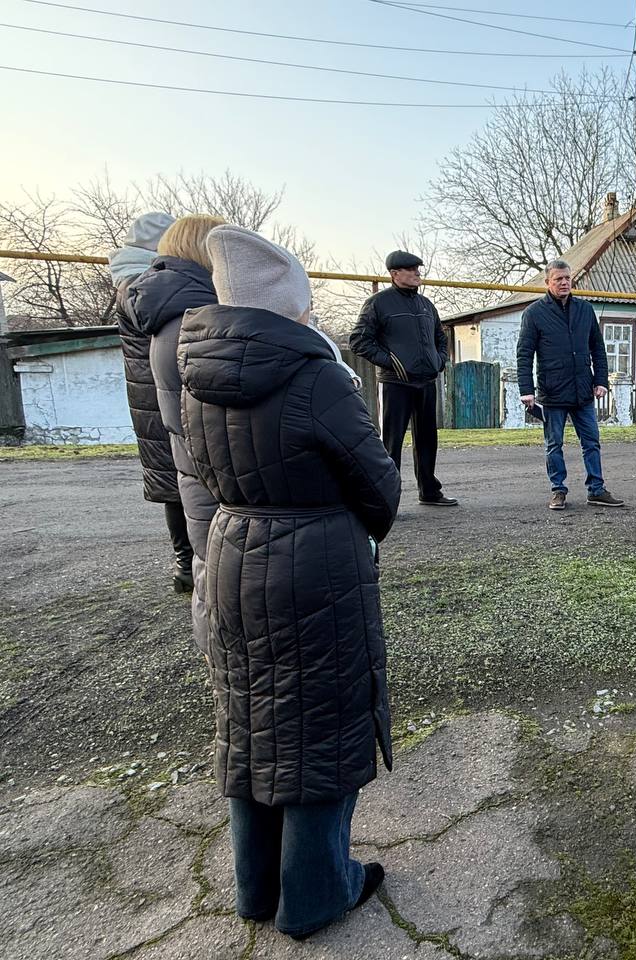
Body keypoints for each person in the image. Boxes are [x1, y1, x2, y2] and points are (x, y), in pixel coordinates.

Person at [179, 225, 401, 939]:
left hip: (232, 554)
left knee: (252, 719)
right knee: (320, 724)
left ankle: (257, 887)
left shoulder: (195, 373)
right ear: (291, 302)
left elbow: (203, 474)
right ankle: (315, 895)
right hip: (315, 562)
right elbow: (379, 487)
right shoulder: (316, 374)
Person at [126, 214, 224, 657]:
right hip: (204, 443)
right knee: (222, 561)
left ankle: (219, 654)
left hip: (172, 432)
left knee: (203, 545)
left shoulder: (154, 297)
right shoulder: (192, 310)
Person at [110, 211, 192, 592]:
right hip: (160, 395)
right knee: (176, 478)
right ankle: (186, 565)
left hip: (157, 392)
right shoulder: (138, 284)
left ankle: (187, 564)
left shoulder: (135, 280)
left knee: (178, 476)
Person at [349, 250, 457, 507]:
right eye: (410, 269)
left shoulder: (426, 305)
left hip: (426, 381)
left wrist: (439, 360)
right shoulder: (378, 303)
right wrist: (390, 362)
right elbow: (359, 341)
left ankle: (429, 491)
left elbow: (440, 338)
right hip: (394, 383)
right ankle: (387, 498)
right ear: (394, 274)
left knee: (427, 439)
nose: (417, 273)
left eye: (418, 268)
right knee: (391, 442)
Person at [516, 258, 624, 510]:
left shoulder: (585, 310)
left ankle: (596, 490)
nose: (564, 283)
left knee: (591, 442)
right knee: (554, 444)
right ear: (548, 282)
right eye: (558, 279)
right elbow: (524, 353)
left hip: (583, 390)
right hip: (552, 391)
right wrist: (526, 390)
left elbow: (598, 348)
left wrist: (600, 380)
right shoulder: (534, 313)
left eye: (567, 278)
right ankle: (558, 490)